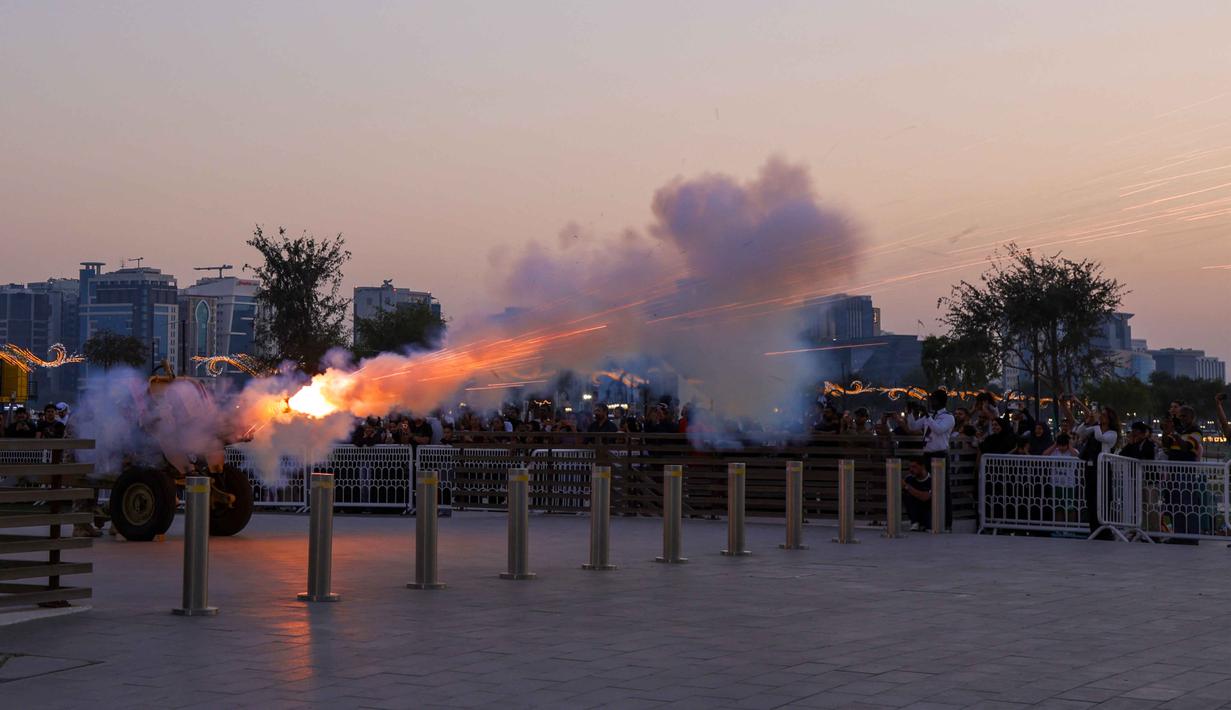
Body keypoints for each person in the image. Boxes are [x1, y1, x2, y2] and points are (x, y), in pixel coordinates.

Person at [905, 389, 955, 530]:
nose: (930, 402)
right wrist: (910, 413)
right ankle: (925, 521)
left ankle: (946, 523)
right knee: (925, 486)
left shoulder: (948, 417)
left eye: (933, 399)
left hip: (940, 455)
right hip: (927, 455)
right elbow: (913, 427)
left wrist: (927, 415)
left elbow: (939, 429)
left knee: (943, 489)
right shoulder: (930, 416)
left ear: (940, 401)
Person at [901, 458, 932, 531]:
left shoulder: (932, 479)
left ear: (923, 467)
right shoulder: (909, 478)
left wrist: (907, 487)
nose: (911, 470)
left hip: (928, 512)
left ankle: (924, 524)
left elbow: (926, 497)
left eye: (914, 467)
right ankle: (915, 522)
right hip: (914, 511)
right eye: (910, 467)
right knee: (906, 494)